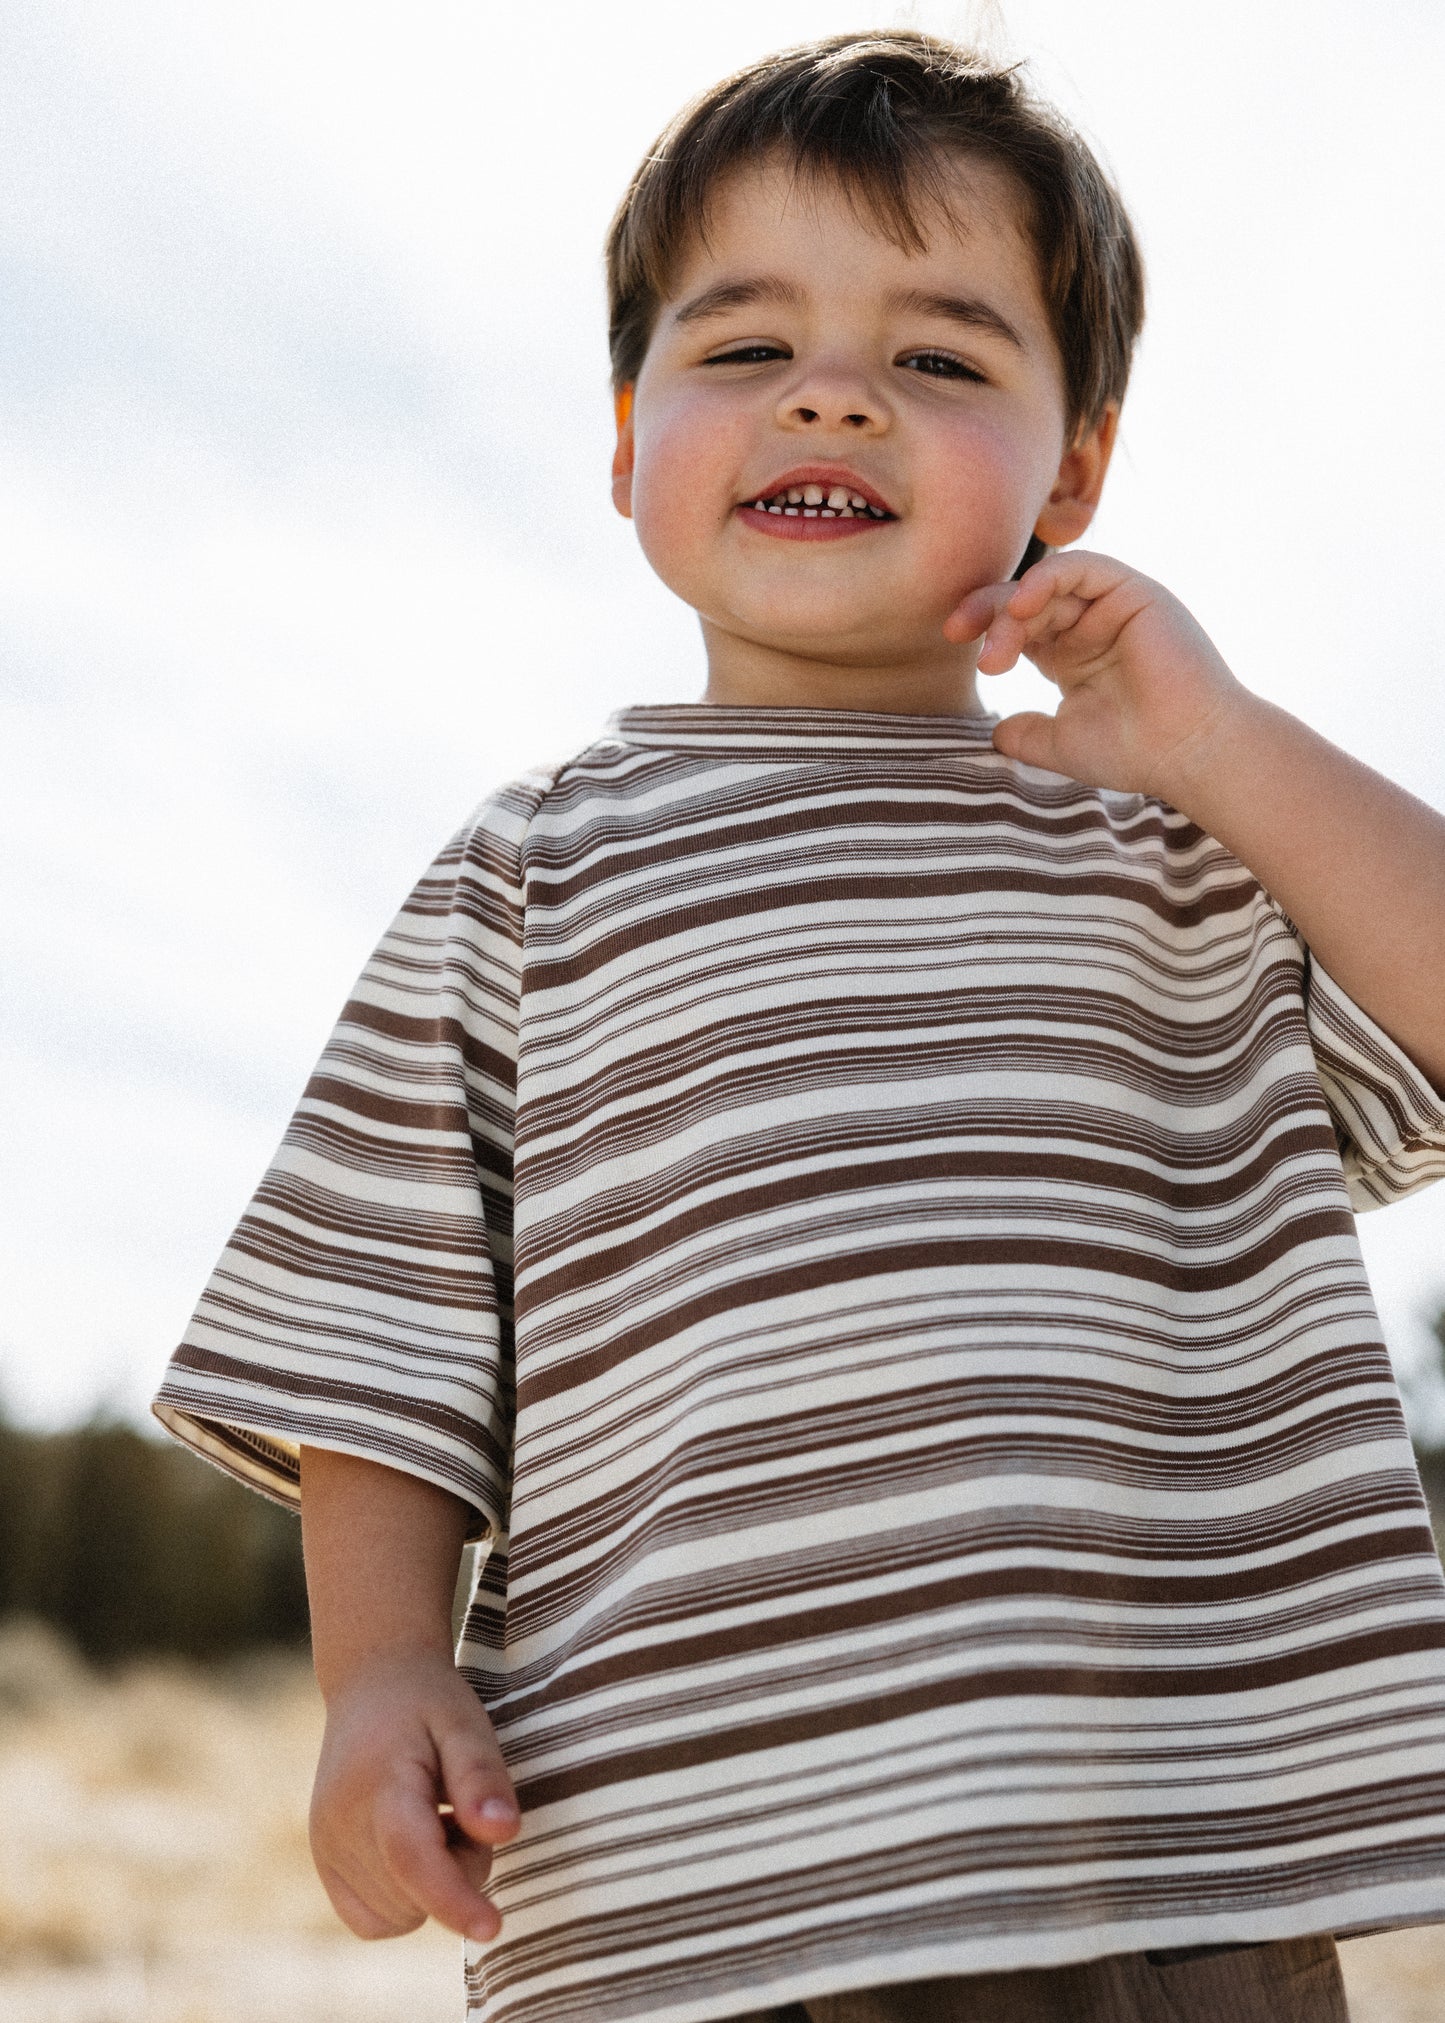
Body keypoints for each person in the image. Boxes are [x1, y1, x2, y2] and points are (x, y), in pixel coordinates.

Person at [152, 29, 1445, 2023]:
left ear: (1073, 467)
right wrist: (383, 1669)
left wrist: (1226, 745)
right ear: (622, 442)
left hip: (1155, 1863)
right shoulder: (531, 876)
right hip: (686, 1879)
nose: (833, 388)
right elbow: (378, 1325)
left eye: (940, 357)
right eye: (744, 347)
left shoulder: (1167, 852)